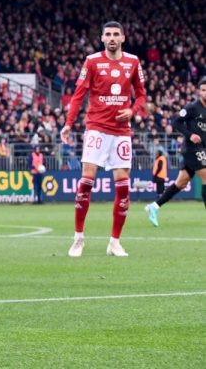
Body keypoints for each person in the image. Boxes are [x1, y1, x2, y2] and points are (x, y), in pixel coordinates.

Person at [61, 21, 146, 258]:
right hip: (96, 128)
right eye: (108, 34)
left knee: (123, 187)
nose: (112, 38)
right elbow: (78, 95)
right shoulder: (92, 61)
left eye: (116, 34)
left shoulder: (133, 62)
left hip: (121, 133)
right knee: (86, 182)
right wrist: (68, 123)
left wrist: (132, 111)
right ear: (102, 38)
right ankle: (78, 238)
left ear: (123, 38)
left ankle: (114, 242)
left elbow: (141, 95)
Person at [145, 77, 206, 226]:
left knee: (181, 182)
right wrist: (190, 135)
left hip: (201, 148)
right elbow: (176, 122)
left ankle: (154, 206)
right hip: (192, 149)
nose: (205, 93)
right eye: (203, 90)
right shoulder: (192, 107)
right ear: (199, 91)